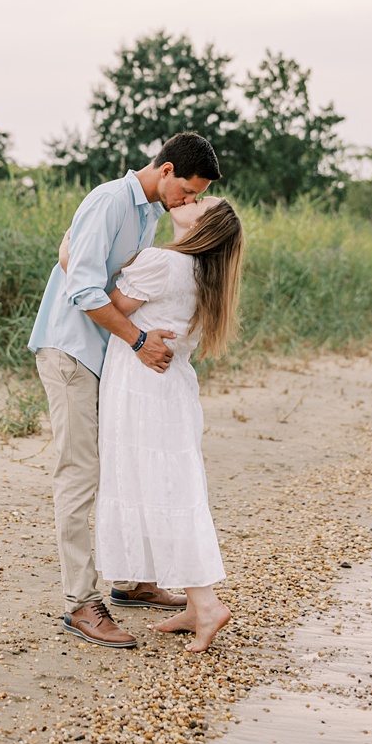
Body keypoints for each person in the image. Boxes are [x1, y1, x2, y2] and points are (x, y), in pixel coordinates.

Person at [25, 131, 221, 648]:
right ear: (167, 169)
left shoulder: (150, 212)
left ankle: (133, 582)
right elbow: (83, 288)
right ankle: (79, 603)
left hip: (106, 357)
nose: (187, 201)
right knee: (79, 472)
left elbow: (120, 283)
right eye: (188, 190)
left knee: (122, 461)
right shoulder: (110, 200)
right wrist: (137, 340)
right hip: (72, 350)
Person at [82, 196, 244, 652]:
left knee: (158, 490)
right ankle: (195, 604)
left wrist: (72, 259)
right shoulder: (206, 273)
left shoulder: (162, 262)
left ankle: (206, 605)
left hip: (142, 388)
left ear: (203, 225)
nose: (191, 199)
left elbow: (107, 305)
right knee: (173, 489)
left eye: (201, 201)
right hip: (173, 390)